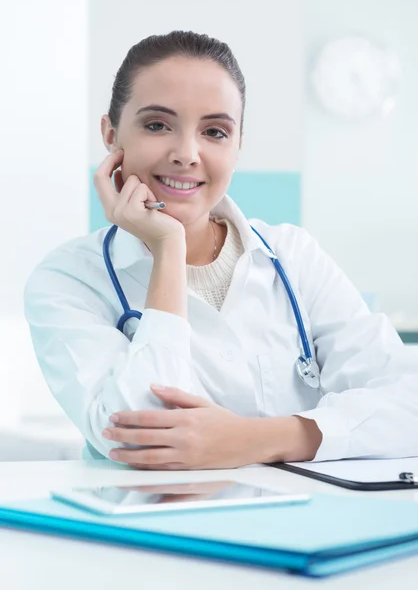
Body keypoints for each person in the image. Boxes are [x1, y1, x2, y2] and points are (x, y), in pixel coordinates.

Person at [24, 30, 418, 470]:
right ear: (112, 135)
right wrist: (167, 248)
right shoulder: (68, 279)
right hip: (151, 532)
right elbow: (140, 442)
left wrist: (253, 439)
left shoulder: (292, 255)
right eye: (157, 125)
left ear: (238, 145)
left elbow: (407, 406)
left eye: (215, 131)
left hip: (305, 526)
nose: (187, 153)